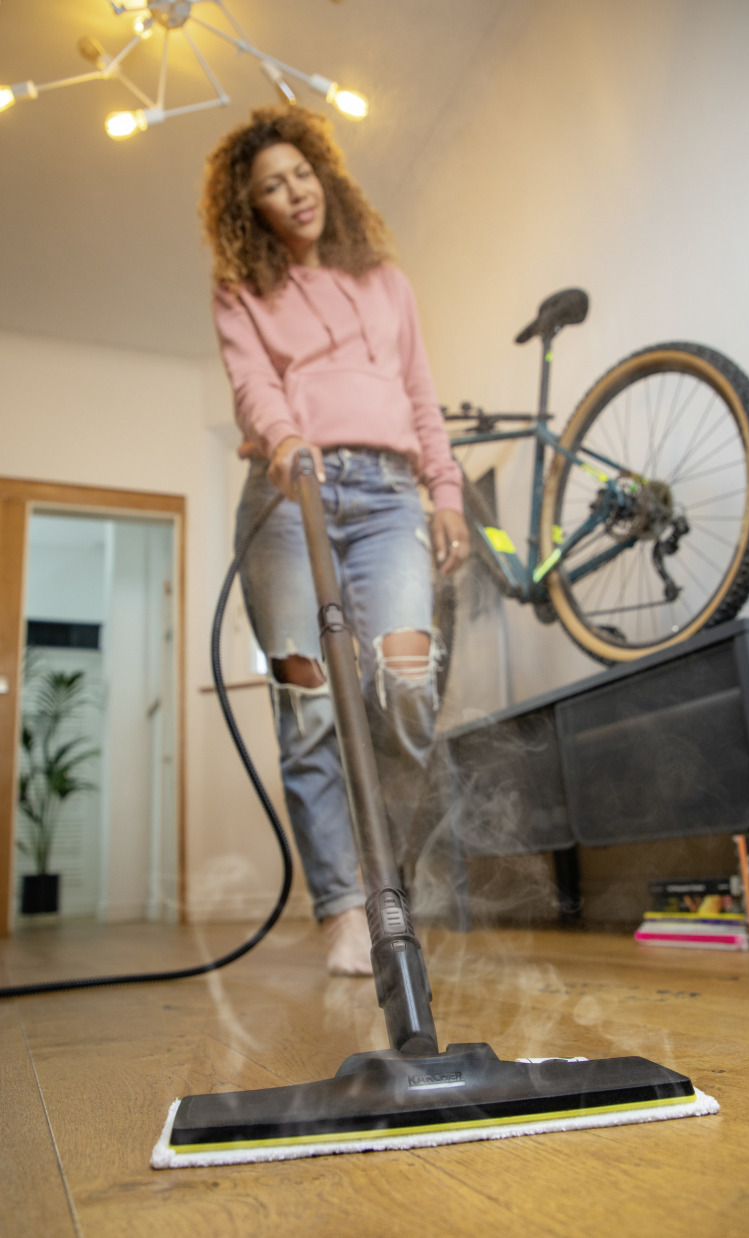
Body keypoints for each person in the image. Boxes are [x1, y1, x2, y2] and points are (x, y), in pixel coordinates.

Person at [200, 106, 468, 976]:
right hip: (290, 498)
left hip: (388, 499)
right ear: (251, 208)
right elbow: (252, 383)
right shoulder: (242, 289)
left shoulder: (384, 282)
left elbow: (420, 394)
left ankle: (384, 884)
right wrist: (283, 440)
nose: (293, 193)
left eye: (300, 174)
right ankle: (343, 912)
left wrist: (445, 493)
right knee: (308, 704)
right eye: (270, 187)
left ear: (323, 177)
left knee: (407, 685)